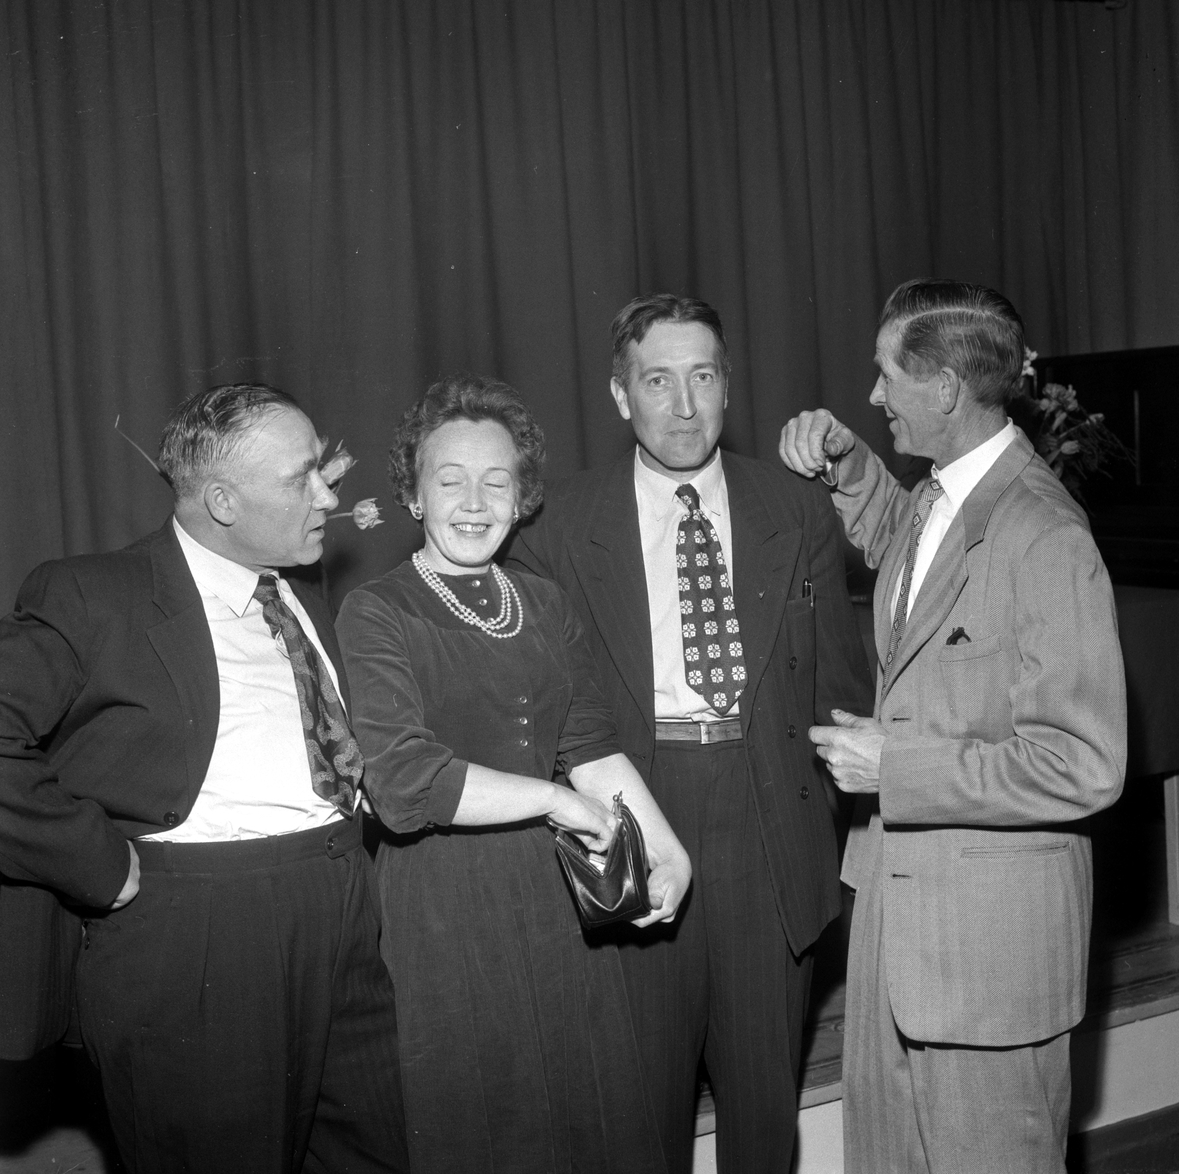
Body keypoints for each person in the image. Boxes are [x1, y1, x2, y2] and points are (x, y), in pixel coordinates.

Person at [0, 383, 409, 1174]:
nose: (329, 495)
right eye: (302, 478)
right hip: (199, 939)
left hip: (342, 910)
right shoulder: (94, 594)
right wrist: (93, 862)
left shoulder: (299, 586)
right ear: (222, 501)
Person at [508, 294, 874, 1173]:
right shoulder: (555, 527)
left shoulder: (794, 506)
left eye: (702, 377)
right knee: (638, 1121)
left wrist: (820, 828)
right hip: (631, 812)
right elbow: (539, 714)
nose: (683, 406)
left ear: (726, 385)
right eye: (657, 381)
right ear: (618, 394)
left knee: (761, 1119)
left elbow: (838, 687)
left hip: (766, 822)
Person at [779, 279, 1127, 1173]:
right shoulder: (944, 496)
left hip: (989, 957)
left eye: (884, 375)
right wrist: (849, 465)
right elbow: (912, 553)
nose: (871, 394)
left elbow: (1083, 763)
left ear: (942, 389)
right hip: (898, 924)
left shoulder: (1045, 535)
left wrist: (894, 767)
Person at [336, 376, 690, 1174]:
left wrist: (667, 849)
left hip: (556, 905)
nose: (474, 502)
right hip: (440, 911)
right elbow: (405, 782)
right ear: (412, 495)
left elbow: (590, 745)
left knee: (587, 1124)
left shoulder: (544, 601)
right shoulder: (378, 609)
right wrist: (557, 801)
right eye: (449, 480)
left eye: (496, 482)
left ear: (523, 497)